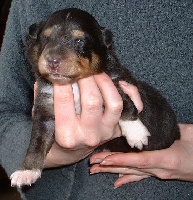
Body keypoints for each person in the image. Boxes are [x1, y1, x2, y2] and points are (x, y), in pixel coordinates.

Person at [0, 0, 192, 199]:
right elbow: (6, 111)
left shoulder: (110, 71)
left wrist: (128, 119)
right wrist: (59, 154)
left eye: (78, 42)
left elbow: (127, 93)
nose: (54, 56)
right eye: (47, 41)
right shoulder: (29, 6)